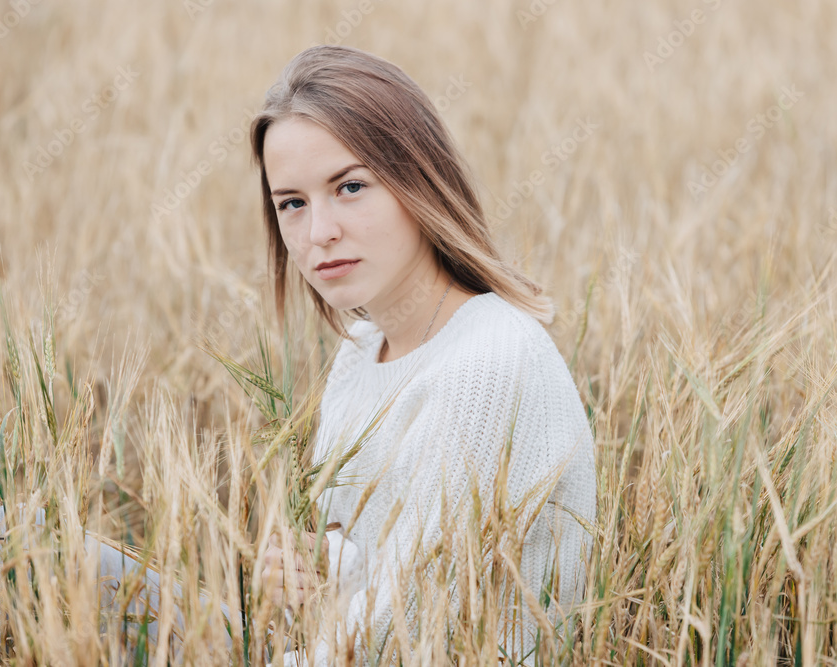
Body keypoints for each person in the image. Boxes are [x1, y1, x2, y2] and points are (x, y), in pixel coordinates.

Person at [251, 45, 597, 666]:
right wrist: (310, 566)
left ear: (418, 182)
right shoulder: (361, 351)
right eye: (292, 203)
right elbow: (378, 557)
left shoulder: (488, 360)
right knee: (31, 536)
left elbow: (409, 621)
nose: (318, 231)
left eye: (350, 187)